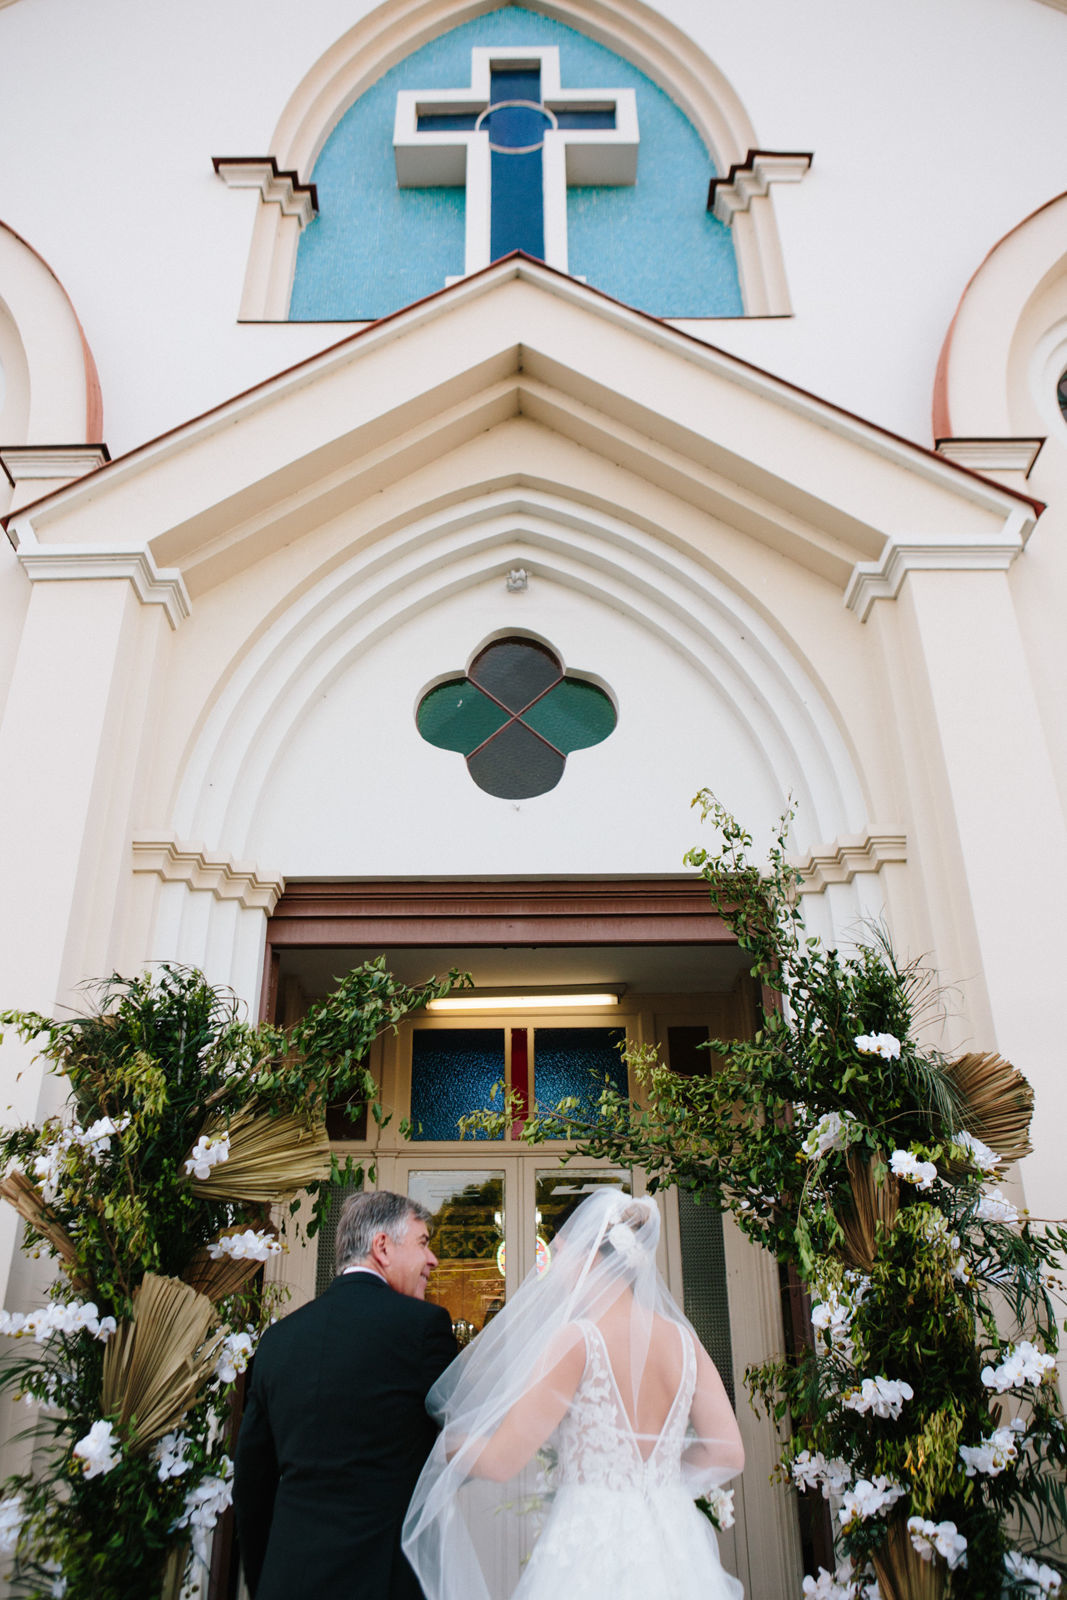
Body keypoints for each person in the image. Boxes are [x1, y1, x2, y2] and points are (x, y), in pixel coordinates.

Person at [403, 1188, 745, 1600]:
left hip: (592, 1542)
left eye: (560, 1252)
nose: (553, 1266)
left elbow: (501, 1460)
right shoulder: (686, 1343)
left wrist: (438, 1445)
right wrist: (656, 1480)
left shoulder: (578, 1341)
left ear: (589, 1255)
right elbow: (728, 1452)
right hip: (675, 1543)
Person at [233, 1191, 458, 1600]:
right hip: (383, 1581)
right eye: (423, 1243)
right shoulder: (425, 1328)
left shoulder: (277, 1342)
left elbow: (251, 1484)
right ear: (383, 1247)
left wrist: (265, 1578)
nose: (433, 1260)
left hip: (288, 1581)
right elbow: (455, 1449)